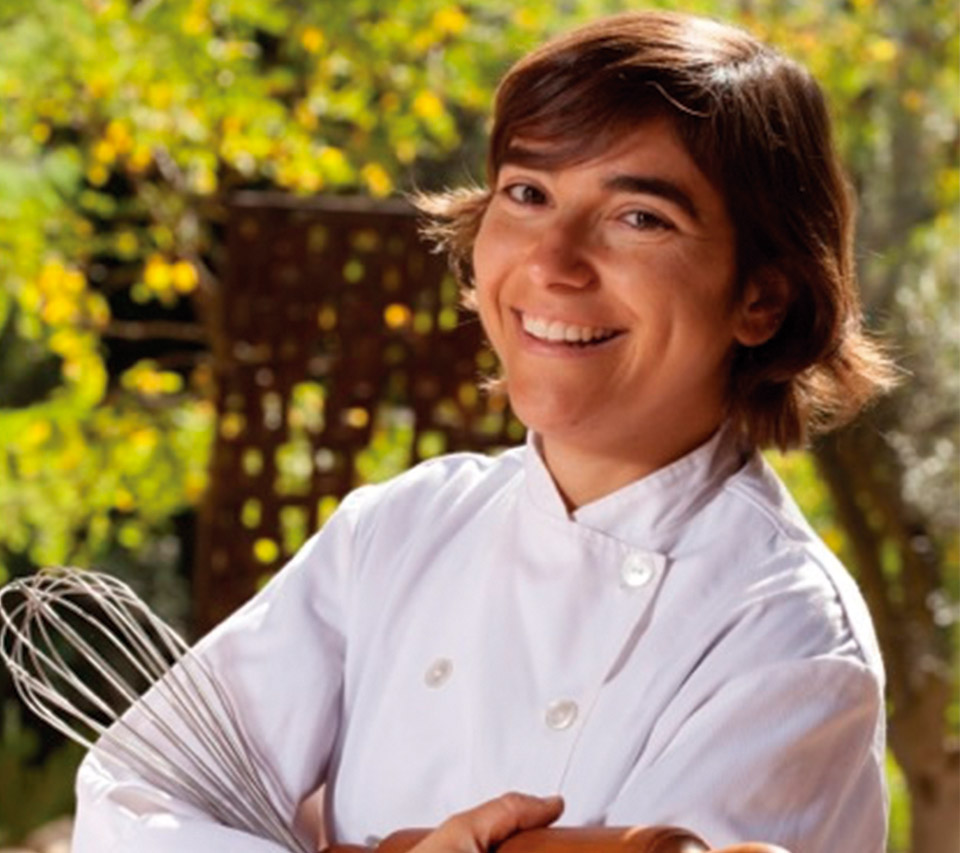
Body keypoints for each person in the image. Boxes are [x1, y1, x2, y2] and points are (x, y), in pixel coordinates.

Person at [72, 10, 896, 853]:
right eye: (528, 195)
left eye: (640, 217)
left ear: (762, 298)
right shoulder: (400, 527)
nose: (552, 262)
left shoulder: (787, 632)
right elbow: (132, 794)